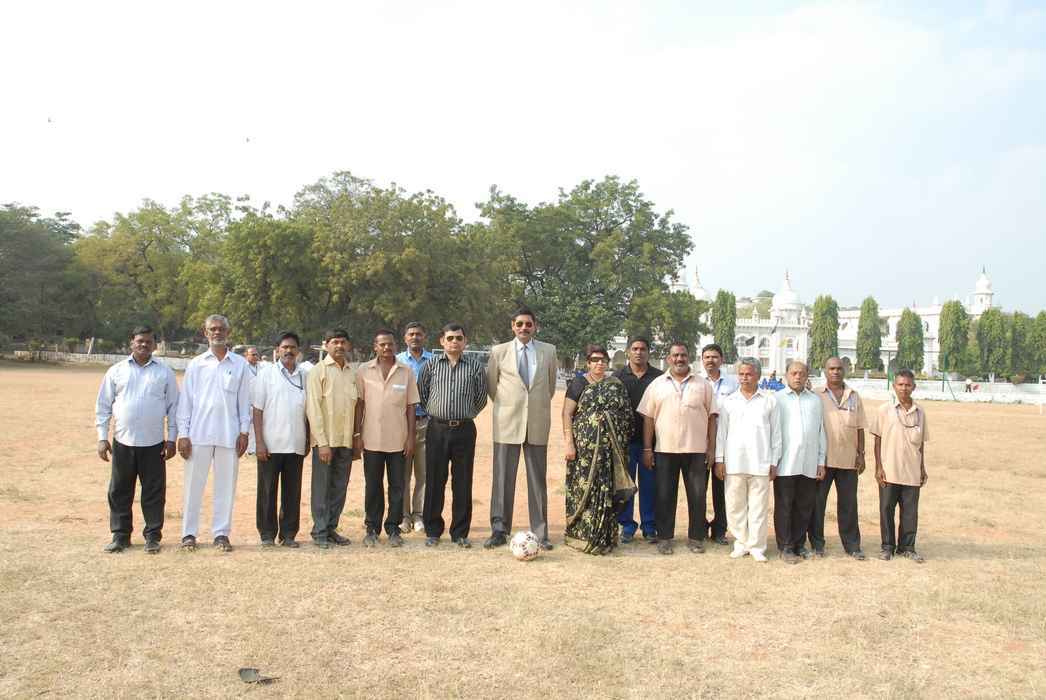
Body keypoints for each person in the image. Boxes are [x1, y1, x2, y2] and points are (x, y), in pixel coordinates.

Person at [95, 326, 179, 553]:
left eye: (148, 341)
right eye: (140, 341)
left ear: (155, 345)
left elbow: (174, 408)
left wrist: (172, 439)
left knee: (154, 493)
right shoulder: (117, 371)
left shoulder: (164, 372)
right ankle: (120, 536)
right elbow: (103, 406)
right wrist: (102, 438)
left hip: (154, 444)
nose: (144, 345)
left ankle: (152, 537)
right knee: (119, 490)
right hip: (123, 442)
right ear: (131, 342)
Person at [176, 314, 253, 552]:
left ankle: (221, 534)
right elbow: (186, 402)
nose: (217, 332)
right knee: (193, 487)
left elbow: (244, 402)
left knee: (225, 488)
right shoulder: (197, 364)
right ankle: (189, 534)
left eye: (221, 329)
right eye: (213, 329)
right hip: (198, 434)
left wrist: (244, 432)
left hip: (229, 435)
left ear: (228, 333)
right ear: (205, 332)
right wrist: (183, 434)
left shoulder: (239, 364)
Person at [484, 307, 558, 550]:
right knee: (502, 479)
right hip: (507, 422)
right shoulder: (499, 351)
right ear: (512, 326)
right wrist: (511, 406)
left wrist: (532, 407)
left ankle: (541, 533)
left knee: (538, 481)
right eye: (519, 324)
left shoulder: (548, 351)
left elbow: (549, 388)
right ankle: (499, 530)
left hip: (537, 423)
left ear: (535, 326)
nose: (524, 328)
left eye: (528, 324)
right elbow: (492, 387)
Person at [637, 342, 719, 555]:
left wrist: (711, 449)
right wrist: (647, 449)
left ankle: (696, 538)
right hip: (665, 449)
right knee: (664, 495)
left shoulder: (702, 385)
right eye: (675, 355)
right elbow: (648, 419)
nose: (679, 359)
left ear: (688, 357)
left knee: (697, 496)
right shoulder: (657, 385)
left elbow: (712, 418)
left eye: (683, 355)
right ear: (668, 359)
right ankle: (665, 537)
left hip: (696, 449)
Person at [417, 323, 488, 547]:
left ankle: (460, 533)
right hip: (437, 428)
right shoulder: (430, 365)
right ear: (442, 341)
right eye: (450, 338)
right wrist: (439, 412)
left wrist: (464, 414)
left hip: (464, 430)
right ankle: (433, 530)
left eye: (458, 338)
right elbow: (423, 393)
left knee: (463, 481)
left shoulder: (475, 367)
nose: (454, 342)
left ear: (465, 341)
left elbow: (481, 398)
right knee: (434, 479)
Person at [562, 345, 634, 554]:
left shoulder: (616, 385)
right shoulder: (579, 383)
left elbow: (627, 415)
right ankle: (582, 535)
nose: (599, 363)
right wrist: (569, 443)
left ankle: (604, 537)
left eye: (603, 360)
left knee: (607, 490)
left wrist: (613, 425)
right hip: (584, 450)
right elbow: (567, 414)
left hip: (611, 451)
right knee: (584, 488)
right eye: (595, 360)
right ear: (588, 363)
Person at [355, 329, 419, 548]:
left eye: (390, 344)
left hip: (398, 440)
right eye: (382, 344)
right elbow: (359, 405)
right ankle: (372, 528)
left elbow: (411, 407)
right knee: (373, 486)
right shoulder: (364, 370)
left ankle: (393, 528)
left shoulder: (406, 371)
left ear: (395, 345)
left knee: (397, 486)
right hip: (371, 439)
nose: (386, 348)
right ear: (375, 347)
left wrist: (411, 438)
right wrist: (357, 434)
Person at [714, 358, 780, 562]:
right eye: (741, 374)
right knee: (735, 506)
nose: (744, 378)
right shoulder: (729, 401)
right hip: (734, 462)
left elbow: (776, 434)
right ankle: (741, 543)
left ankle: (757, 546)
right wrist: (720, 459)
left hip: (761, 462)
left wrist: (774, 461)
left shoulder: (770, 400)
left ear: (758, 375)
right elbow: (721, 434)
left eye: (749, 374)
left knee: (758, 508)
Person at [305, 329, 361, 549]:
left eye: (343, 342)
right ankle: (319, 531)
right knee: (322, 488)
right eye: (335, 342)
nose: (339, 346)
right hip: (326, 441)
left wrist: (356, 437)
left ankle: (330, 528)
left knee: (339, 487)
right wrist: (322, 442)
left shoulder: (352, 373)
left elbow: (357, 406)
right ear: (326, 345)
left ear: (348, 345)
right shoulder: (318, 372)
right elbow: (313, 408)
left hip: (345, 441)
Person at [252, 331, 309, 548]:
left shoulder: (305, 375)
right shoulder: (266, 374)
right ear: (277, 350)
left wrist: (307, 438)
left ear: (298, 351)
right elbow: (257, 410)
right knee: (267, 491)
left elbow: (308, 411)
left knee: (292, 492)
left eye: (292, 347)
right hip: (270, 444)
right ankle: (267, 534)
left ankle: (288, 534)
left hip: (296, 444)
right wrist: (259, 442)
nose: (288, 351)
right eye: (284, 347)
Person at [807, 356, 867, 559]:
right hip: (822, 461)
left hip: (848, 460)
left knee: (848, 505)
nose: (835, 372)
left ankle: (852, 546)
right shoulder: (816, 395)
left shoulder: (854, 396)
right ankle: (817, 544)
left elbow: (860, 427)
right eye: (831, 368)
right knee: (817, 504)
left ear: (845, 370)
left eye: (839, 368)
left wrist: (861, 454)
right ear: (825, 371)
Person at [871, 369, 929, 562]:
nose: (904, 388)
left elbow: (921, 443)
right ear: (894, 386)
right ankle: (887, 547)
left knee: (910, 512)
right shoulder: (884, 410)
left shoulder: (920, 412)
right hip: (890, 469)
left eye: (908, 385)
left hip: (912, 470)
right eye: (900, 384)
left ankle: (907, 547)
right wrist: (879, 467)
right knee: (886, 509)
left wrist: (922, 468)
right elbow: (877, 440)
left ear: (914, 387)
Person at [773, 360, 826, 564]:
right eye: (794, 373)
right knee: (784, 506)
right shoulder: (776, 399)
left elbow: (821, 431)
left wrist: (821, 461)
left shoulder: (815, 400)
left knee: (804, 506)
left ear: (807, 376)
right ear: (786, 375)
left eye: (802, 373)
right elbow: (773, 432)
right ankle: (785, 546)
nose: (797, 377)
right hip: (785, 463)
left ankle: (798, 543)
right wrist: (772, 461)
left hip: (809, 462)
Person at [612, 337, 662, 543]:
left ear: (649, 352)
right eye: (635, 348)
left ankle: (649, 526)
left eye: (643, 349)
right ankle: (627, 525)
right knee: (626, 485)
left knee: (650, 486)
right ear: (628, 351)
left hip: (653, 441)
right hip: (625, 442)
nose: (639, 352)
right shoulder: (617, 377)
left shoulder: (659, 378)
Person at [700, 343, 739, 545]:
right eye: (707, 357)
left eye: (714, 357)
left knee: (721, 488)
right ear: (702, 360)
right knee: (698, 488)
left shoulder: (733, 383)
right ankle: (699, 527)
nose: (711, 360)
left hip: (726, 442)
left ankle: (719, 529)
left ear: (721, 360)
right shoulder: (696, 382)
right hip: (700, 442)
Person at [396, 321, 433, 534]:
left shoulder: (434, 361)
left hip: (426, 423)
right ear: (405, 338)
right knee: (402, 474)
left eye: (418, 334)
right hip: (402, 423)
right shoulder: (397, 361)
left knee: (423, 473)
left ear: (424, 336)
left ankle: (419, 515)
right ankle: (404, 516)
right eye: (411, 334)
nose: (415, 337)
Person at [244, 345, 261, 455]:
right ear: (246, 355)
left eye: (256, 354)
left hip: (259, 403)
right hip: (246, 403)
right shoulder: (242, 368)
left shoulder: (262, 367)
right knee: (246, 427)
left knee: (257, 427)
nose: (255, 357)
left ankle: (253, 449)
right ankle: (247, 449)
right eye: (253, 355)